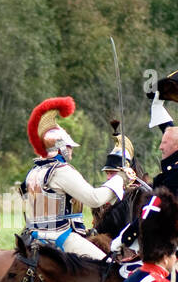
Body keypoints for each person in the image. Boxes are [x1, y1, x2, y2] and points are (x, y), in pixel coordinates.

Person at [21, 99, 125, 259]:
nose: (71, 150)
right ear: (60, 148)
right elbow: (94, 199)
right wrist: (120, 179)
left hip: (35, 236)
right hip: (62, 237)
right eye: (68, 146)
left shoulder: (33, 172)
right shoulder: (61, 171)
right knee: (107, 266)